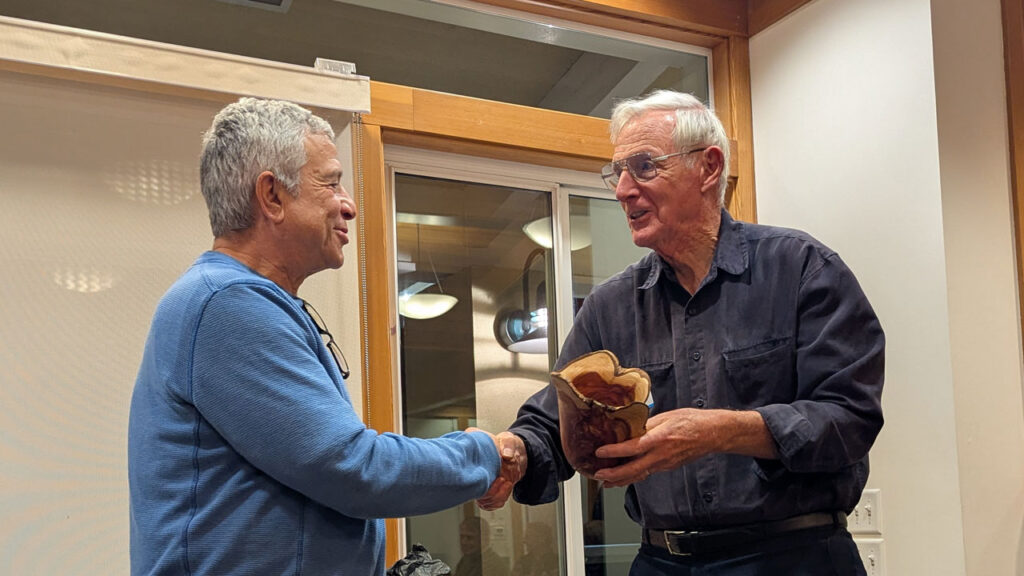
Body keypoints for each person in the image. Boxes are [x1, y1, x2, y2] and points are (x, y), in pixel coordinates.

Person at [478, 90, 885, 575]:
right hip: (661, 562)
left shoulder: (802, 270)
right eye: (617, 172)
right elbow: (554, 422)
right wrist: (514, 454)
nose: (623, 189)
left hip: (795, 558)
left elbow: (849, 418)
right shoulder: (611, 306)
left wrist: (722, 431)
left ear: (709, 168)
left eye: (644, 166)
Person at [128, 97, 509, 576]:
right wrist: (484, 453)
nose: (347, 205)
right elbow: (352, 468)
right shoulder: (225, 304)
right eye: (330, 183)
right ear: (271, 196)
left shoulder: (238, 300)